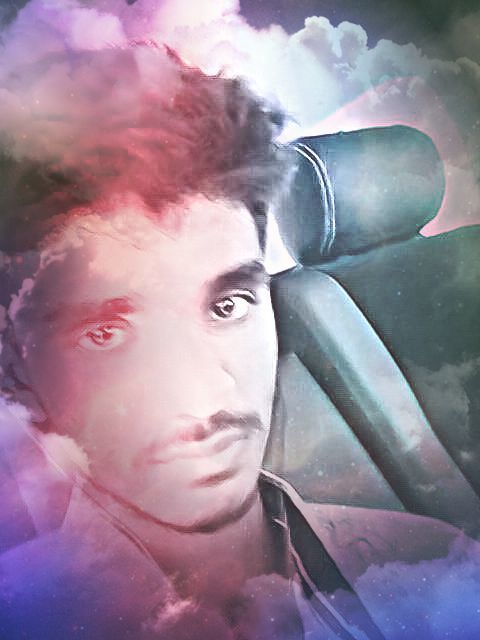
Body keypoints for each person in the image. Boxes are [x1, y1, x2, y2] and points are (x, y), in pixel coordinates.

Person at [0, 45, 478, 640]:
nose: (200, 391)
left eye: (227, 306)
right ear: (18, 375)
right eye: (107, 334)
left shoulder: (435, 559)